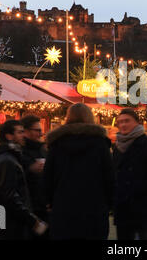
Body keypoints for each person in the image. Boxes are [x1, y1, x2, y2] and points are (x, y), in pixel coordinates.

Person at [44, 103, 114, 240]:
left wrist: (50, 201)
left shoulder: (56, 143)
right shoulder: (100, 143)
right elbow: (109, 176)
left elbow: (48, 177)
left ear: (68, 118)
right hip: (94, 207)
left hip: (63, 207)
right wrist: (109, 203)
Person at [0, 120, 47, 240]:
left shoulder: (4, 156)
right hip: (12, 221)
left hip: (3, 216)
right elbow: (10, 196)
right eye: (20, 132)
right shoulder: (7, 160)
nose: (23, 135)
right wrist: (32, 220)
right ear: (9, 136)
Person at [113, 108, 147, 240]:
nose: (123, 124)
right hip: (122, 207)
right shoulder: (117, 146)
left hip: (143, 206)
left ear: (137, 122)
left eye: (127, 121)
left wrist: (137, 189)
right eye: (120, 122)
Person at [19, 115, 48, 239]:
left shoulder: (41, 149)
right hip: (27, 205)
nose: (41, 134)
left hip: (42, 204)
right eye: (37, 130)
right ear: (25, 131)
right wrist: (29, 169)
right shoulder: (19, 151)